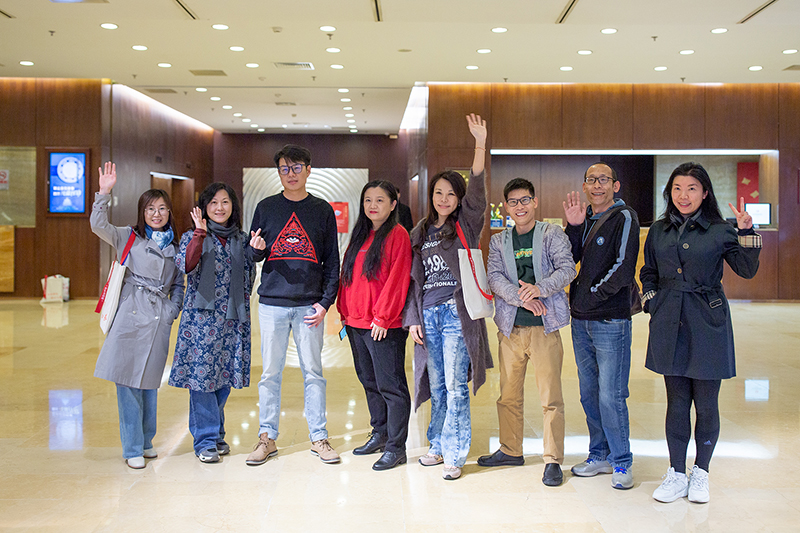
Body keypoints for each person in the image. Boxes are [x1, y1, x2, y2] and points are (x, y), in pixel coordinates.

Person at [642, 162, 761, 504]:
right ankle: (676, 473)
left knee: (706, 404)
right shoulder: (659, 229)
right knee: (677, 401)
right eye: (677, 188)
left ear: (705, 192)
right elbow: (649, 272)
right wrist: (651, 301)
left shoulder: (721, 230)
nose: (684, 195)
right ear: (669, 193)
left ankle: (701, 473)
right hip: (669, 320)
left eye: (692, 188)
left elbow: (746, 269)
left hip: (708, 321)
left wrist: (747, 232)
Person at [404, 113, 493, 481]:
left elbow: (478, 190)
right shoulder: (420, 231)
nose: (443, 199)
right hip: (428, 316)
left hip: (457, 314)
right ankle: (437, 445)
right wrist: (412, 320)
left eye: (450, 194)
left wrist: (479, 144)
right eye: (438, 193)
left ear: (458, 199)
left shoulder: (466, 224)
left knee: (456, 386)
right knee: (438, 384)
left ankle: (455, 453)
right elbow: (413, 282)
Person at [246, 144, 341, 465]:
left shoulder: (322, 210)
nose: (291, 174)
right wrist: (257, 250)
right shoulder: (266, 207)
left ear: (309, 170)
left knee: (313, 373)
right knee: (270, 374)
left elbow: (332, 261)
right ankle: (267, 437)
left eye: (297, 167)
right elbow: (254, 254)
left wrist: (325, 303)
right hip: (272, 303)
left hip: (309, 306)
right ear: (278, 172)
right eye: (285, 169)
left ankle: (319, 437)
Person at [480, 178, 576, 487]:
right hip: (510, 328)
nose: (519, 206)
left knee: (551, 397)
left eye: (525, 200)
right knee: (508, 395)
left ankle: (552, 459)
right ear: (506, 207)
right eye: (513, 202)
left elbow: (567, 269)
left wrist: (539, 289)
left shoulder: (551, 234)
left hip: (544, 328)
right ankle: (511, 450)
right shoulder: (499, 241)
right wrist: (521, 297)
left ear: (534, 202)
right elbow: (494, 276)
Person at [90, 162, 184, 469]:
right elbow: (98, 225)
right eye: (150, 209)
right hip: (130, 316)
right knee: (127, 382)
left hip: (158, 319)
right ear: (142, 212)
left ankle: (146, 441)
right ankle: (132, 447)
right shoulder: (128, 237)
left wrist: (172, 309)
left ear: (170, 212)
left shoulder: (176, 246)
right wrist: (104, 192)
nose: (157, 214)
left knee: (149, 383)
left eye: (162, 209)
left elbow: (179, 283)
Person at [169, 183, 260, 463]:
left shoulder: (241, 239)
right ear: (204, 208)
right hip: (200, 322)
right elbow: (186, 265)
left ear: (233, 206)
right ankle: (206, 439)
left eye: (225, 202)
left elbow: (249, 277)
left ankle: (216, 433)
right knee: (202, 380)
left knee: (224, 378)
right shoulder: (192, 236)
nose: (220, 208)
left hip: (232, 320)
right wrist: (199, 234)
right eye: (213, 203)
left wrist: (256, 253)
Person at [563, 162, 640, 490]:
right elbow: (570, 259)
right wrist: (573, 227)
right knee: (589, 393)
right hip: (581, 321)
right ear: (584, 186)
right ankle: (599, 454)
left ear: (615, 185)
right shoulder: (586, 218)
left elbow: (624, 268)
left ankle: (621, 461)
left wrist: (591, 296)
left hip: (610, 319)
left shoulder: (624, 217)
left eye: (603, 180)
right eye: (591, 180)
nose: (597, 185)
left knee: (611, 395)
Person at [337, 181, 412, 471]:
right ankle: (379, 434)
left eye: (380, 200)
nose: (372, 205)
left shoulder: (398, 234)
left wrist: (382, 316)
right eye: (368, 200)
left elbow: (398, 278)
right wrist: (344, 311)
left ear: (393, 204)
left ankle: (396, 447)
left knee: (391, 387)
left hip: (383, 325)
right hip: (356, 323)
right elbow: (348, 276)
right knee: (369, 383)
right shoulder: (361, 234)